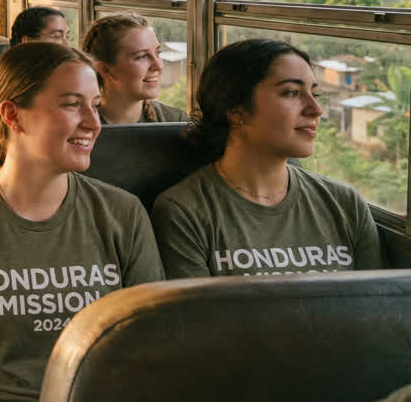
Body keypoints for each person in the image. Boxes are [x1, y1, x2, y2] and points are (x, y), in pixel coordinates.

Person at [0, 42, 164, 401]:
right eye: (72, 104)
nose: (93, 122)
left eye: (95, 105)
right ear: (13, 115)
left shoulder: (124, 213)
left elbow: (149, 359)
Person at [151, 38, 382, 278]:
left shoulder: (344, 204)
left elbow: (376, 308)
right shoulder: (185, 212)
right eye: (292, 93)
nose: (316, 109)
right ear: (236, 110)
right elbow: (196, 314)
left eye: (315, 94)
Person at [80, 13, 188, 124]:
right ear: (105, 70)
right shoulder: (76, 126)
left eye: (158, 53)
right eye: (142, 56)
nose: (159, 66)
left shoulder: (177, 122)